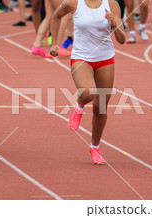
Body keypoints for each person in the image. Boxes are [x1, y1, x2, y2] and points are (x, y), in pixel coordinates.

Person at [50, 0, 125, 164]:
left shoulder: (112, 4)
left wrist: (114, 24)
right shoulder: (74, 3)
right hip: (81, 57)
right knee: (88, 91)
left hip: (105, 60)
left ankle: (95, 147)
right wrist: (54, 42)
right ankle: (79, 107)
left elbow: (122, 39)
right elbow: (56, 16)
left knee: (101, 109)